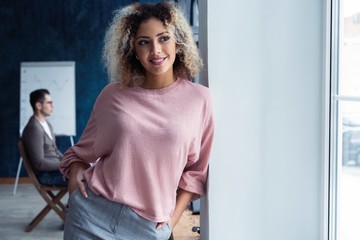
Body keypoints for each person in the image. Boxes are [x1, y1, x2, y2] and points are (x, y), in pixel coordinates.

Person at [60, 2, 214, 239]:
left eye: (164, 38)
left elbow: (195, 173)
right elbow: (80, 154)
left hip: (148, 227)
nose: (156, 50)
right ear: (132, 49)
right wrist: (74, 179)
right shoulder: (113, 95)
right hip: (91, 216)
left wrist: (170, 223)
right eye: (144, 42)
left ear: (178, 41)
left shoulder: (200, 100)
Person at [22, 89, 67, 186]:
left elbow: (55, 150)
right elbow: (39, 163)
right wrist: (65, 165)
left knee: (85, 173)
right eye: (49, 103)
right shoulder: (34, 128)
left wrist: (68, 161)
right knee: (83, 178)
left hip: (57, 171)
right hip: (47, 175)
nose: (52, 105)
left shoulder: (47, 125)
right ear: (38, 106)